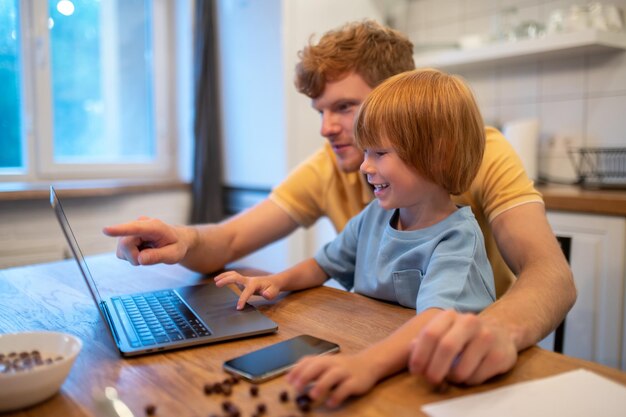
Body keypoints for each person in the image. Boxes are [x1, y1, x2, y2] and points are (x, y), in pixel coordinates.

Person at [103, 20, 575, 387]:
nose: (327, 127)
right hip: (372, 344)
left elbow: (550, 274)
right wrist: (182, 239)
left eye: (345, 108)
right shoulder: (337, 170)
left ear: (401, 98)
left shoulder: (483, 152)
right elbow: (230, 238)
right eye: (321, 111)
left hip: (458, 364)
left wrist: (497, 330)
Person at [214, 68, 496, 407]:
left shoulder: (457, 240)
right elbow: (323, 264)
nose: (365, 166)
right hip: (377, 351)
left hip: (444, 383)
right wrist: (276, 281)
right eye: (365, 152)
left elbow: (433, 323)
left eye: (379, 153)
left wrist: (366, 365)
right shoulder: (375, 216)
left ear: (438, 154)